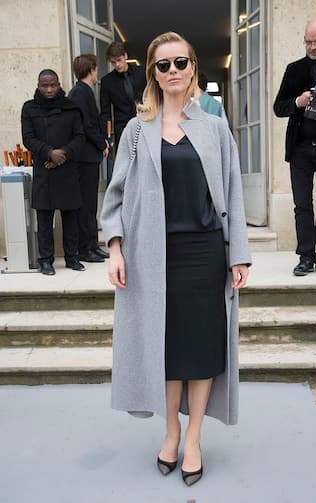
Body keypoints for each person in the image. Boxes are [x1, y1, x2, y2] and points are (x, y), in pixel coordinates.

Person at [101, 32, 251, 486]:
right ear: (152, 73)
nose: (172, 72)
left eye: (180, 63)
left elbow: (234, 191)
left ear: (192, 68)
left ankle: (193, 439)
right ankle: (170, 432)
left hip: (205, 253)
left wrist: (238, 254)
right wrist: (114, 246)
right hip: (152, 256)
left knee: (202, 352)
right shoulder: (134, 130)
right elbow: (115, 195)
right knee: (164, 351)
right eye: (162, 65)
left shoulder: (214, 126)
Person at [274, 17, 316, 276]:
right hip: (299, 147)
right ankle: (305, 256)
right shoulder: (294, 69)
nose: (311, 47)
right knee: (302, 204)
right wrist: (298, 102)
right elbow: (279, 107)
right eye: (307, 42)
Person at [21, 69, 85, 275]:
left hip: (67, 168)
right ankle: (45, 260)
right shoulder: (29, 109)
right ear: (38, 85)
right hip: (44, 169)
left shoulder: (72, 108)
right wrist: (49, 153)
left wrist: (62, 155)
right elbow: (28, 138)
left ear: (59, 85)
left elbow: (80, 137)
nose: (49, 89)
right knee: (45, 217)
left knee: (71, 216)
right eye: (44, 85)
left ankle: (72, 257)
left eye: (53, 85)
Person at [68, 54, 110, 263]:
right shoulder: (79, 93)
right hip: (84, 157)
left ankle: (92, 245)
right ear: (91, 69)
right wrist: (102, 143)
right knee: (86, 205)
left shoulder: (84, 91)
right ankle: (86, 248)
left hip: (88, 156)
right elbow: (86, 125)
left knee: (91, 204)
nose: (97, 72)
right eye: (96, 68)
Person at [100, 41, 146, 150]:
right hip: (122, 129)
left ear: (125, 56)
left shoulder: (142, 72)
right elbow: (105, 112)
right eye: (113, 62)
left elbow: (153, 96)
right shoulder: (107, 81)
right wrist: (106, 136)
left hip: (145, 124)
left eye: (119, 60)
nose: (117, 65)